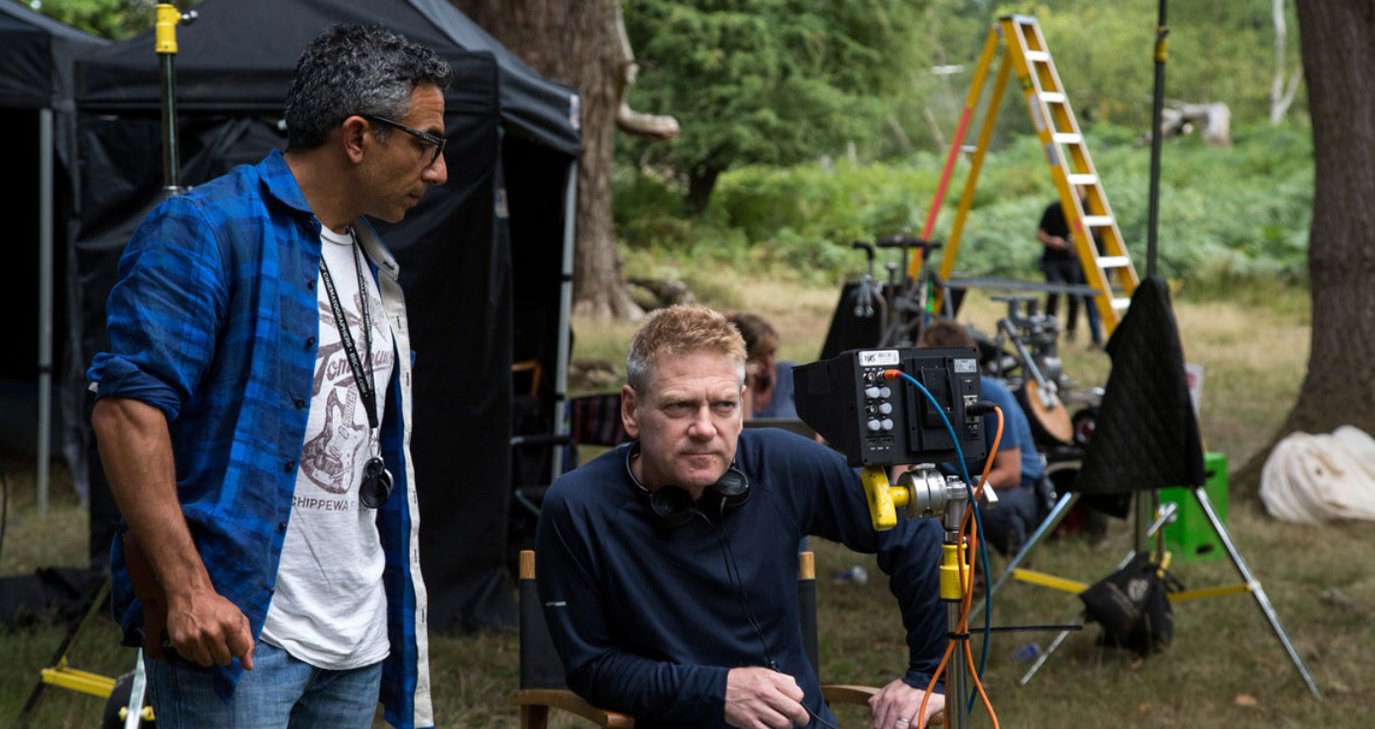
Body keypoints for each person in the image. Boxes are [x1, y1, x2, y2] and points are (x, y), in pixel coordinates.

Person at [87, 24, 451, 729]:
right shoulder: (207, 227)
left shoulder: (374, 261)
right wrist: (187, 590)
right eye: (426, 143)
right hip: (243, 635)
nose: (438, 171)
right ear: (357, 137)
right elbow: (127, 413)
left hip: (357, 637)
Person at [535, 304, 947, 729]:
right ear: (630, 410)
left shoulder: (783, 463)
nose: (704, 428)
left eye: (724, 405)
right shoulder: (578, 506)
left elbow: (914, 529)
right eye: (679, 406)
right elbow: (593, 667)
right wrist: (717, 691)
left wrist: (930, 676)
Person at [918, 321, 1045, 557]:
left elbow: (1010, 473)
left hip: (1011, 489)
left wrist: (953, 499)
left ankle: (1005, 546)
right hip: (958, 484)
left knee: (988, 508)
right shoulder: (922, 397)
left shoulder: (991, 395)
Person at [1036, 194, 1103, 347]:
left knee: (1075, 296)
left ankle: (1070, 330)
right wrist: (1052, 241)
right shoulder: (1053, 209)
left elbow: (1084, 233)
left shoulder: (1079, 213)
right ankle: (1048, 328)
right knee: (1054, 292)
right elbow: (1040, 234)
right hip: (1052, 259)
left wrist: (1076, 242)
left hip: (1071, 260)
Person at [729, 311, 798, 419]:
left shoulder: (789, 375)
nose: (768, 362)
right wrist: (747, 383)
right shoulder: (730, 387)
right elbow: (743, 428)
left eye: (771, 352)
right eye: (759, 355)